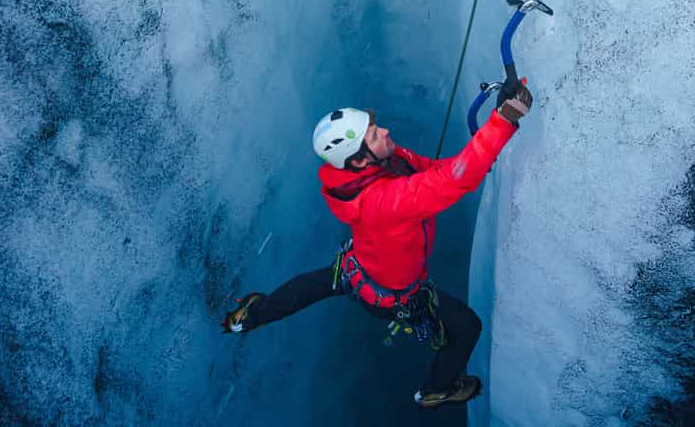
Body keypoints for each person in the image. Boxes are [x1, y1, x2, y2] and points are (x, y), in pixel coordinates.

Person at [223, 78, 533, 409]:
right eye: (373, 134)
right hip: (392, 295)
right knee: (468, 327)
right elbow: (450, 181)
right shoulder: (383, 200)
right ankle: (434, 389)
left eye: (373, 127)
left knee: (313, 286)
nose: (383, 131)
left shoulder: (387, 160)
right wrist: (503, 120)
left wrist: (483, 147)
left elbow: (440, 172)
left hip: (357, 265)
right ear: (358, 161)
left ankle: (252, 314)